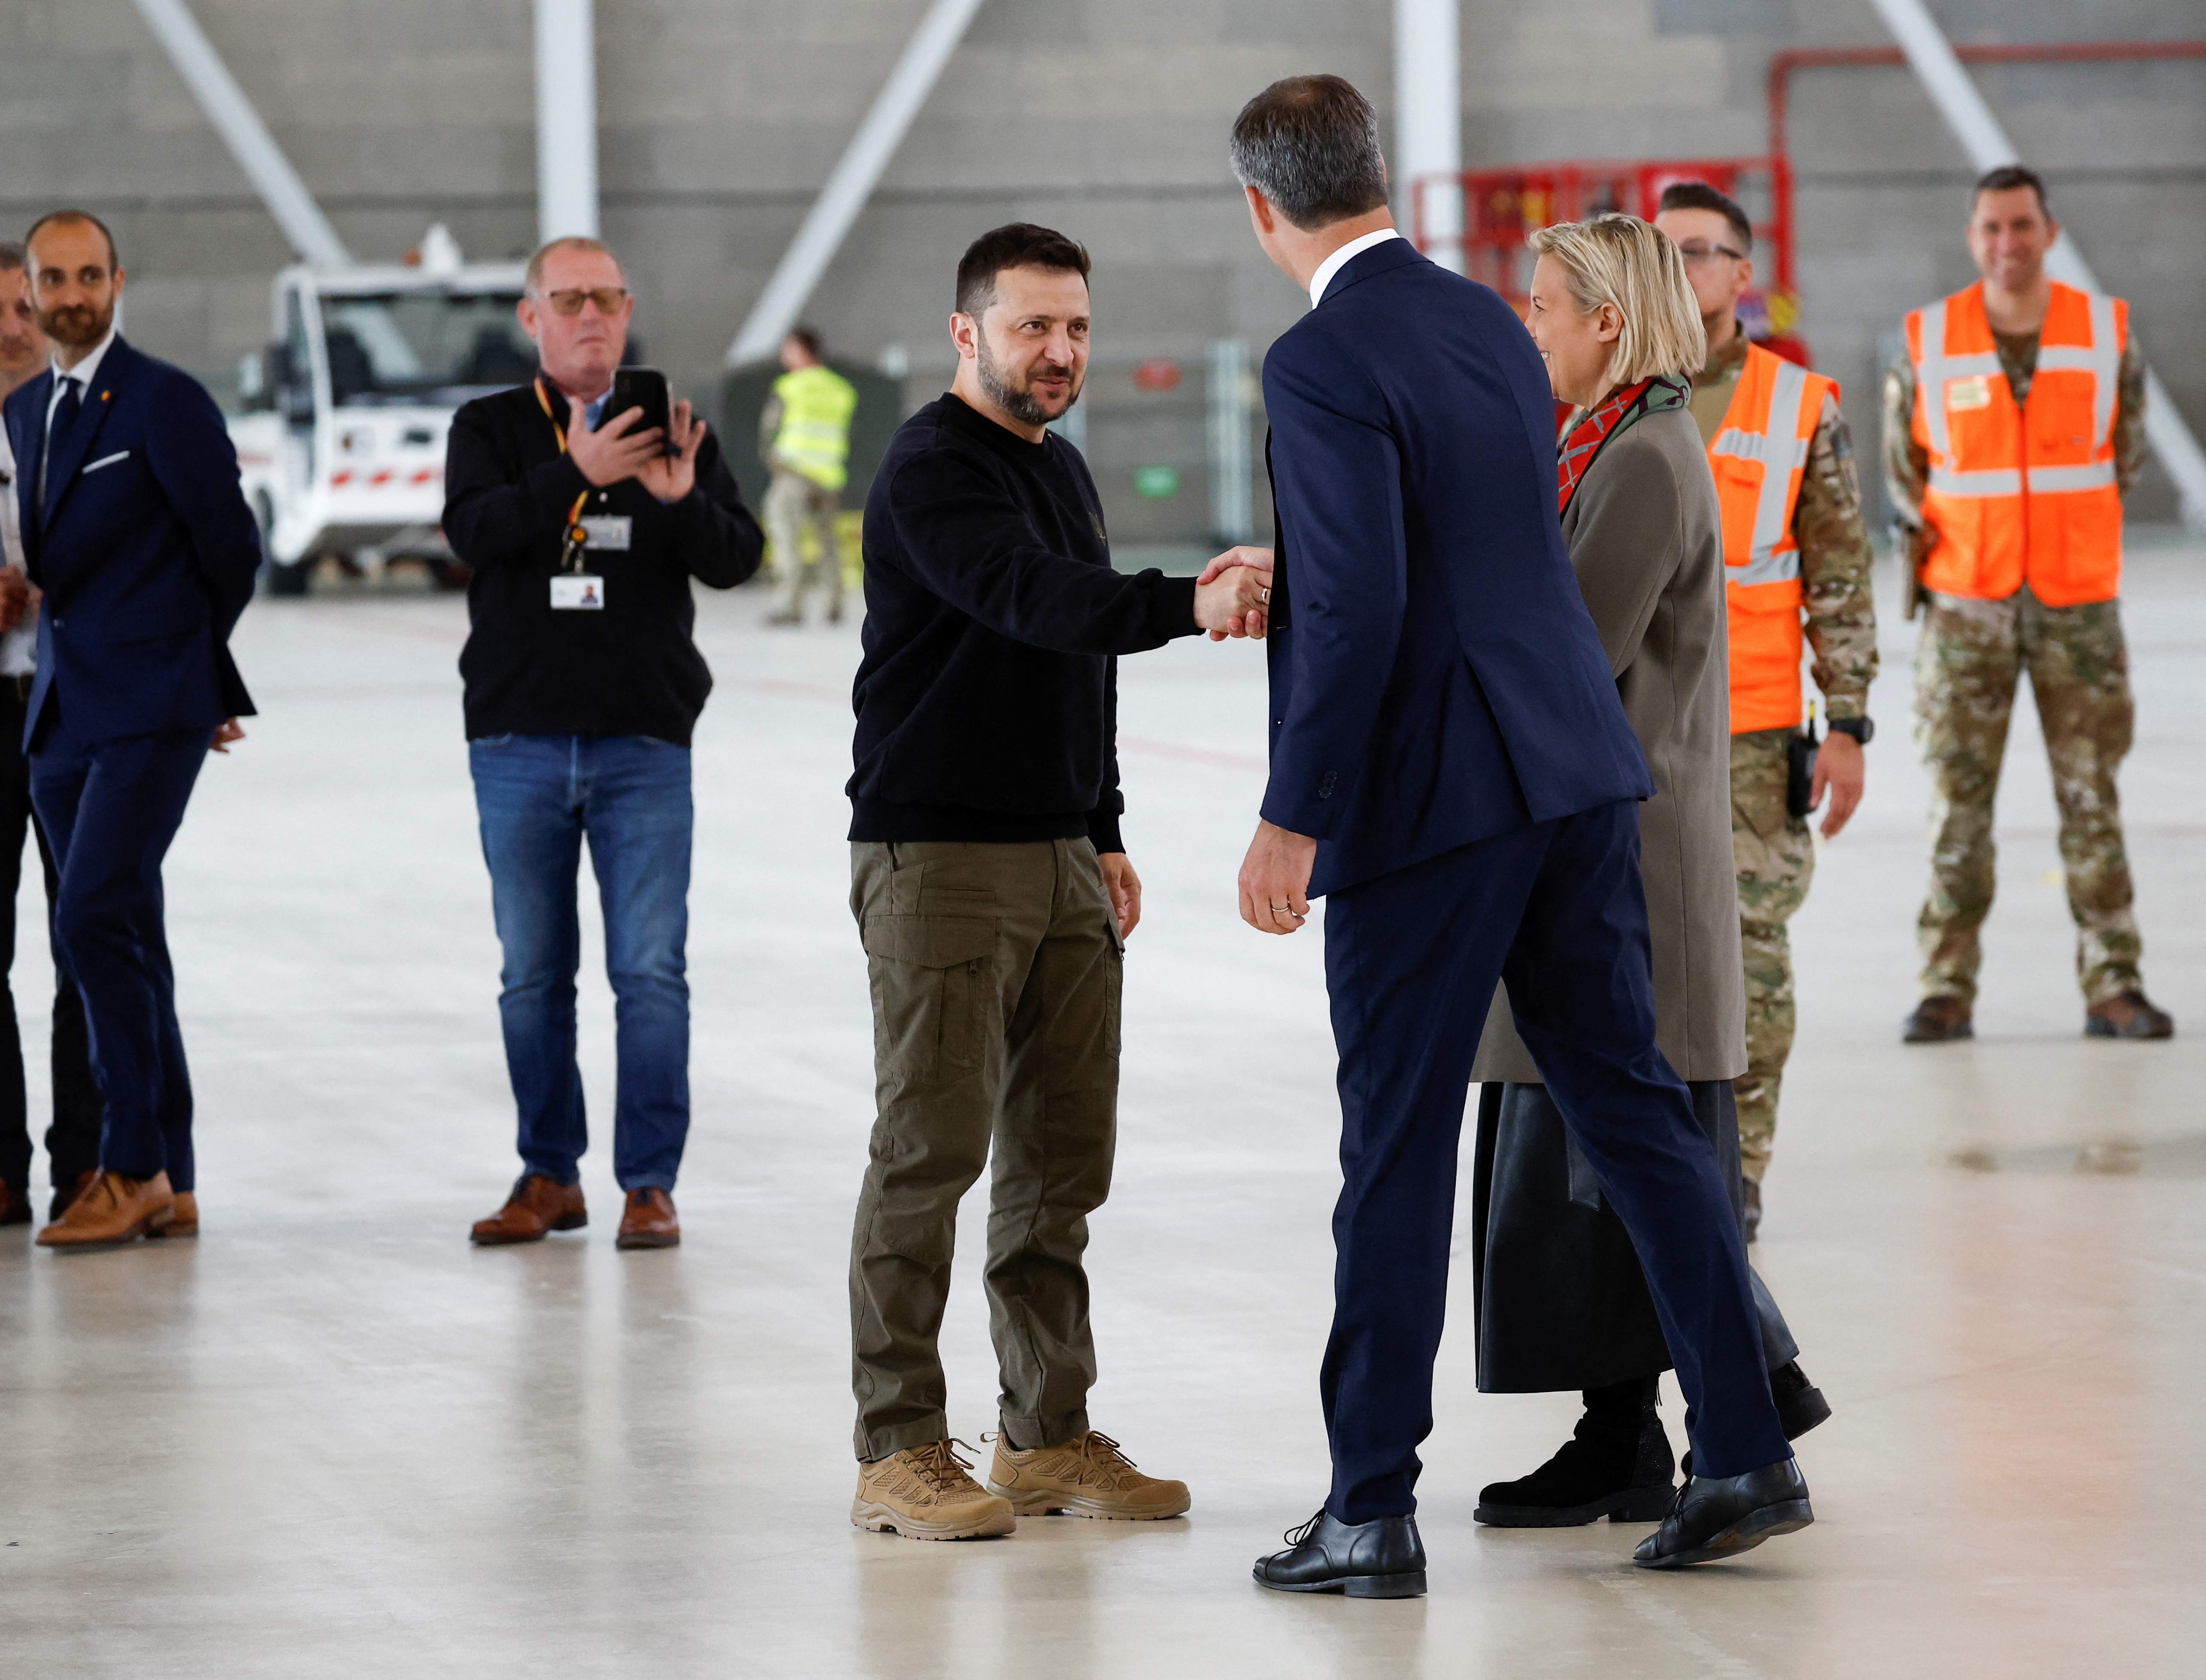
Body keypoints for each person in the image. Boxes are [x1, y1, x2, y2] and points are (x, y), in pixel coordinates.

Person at [1226, 77, 1809, 1600]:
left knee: (1395, 1146)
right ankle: (1742, 1441)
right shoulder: (1486, 322)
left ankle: (1367, 1501)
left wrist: (1295, 810)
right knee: (1630, 1110)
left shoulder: (1316, 357)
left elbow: (1361, 608)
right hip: (1569, 770)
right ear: (1376, 175)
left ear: (1258, 208)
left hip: (1431, 802)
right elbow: (1461, 547)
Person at [843, 222, 1270, 1543]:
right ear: (965, 331)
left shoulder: (1062, 466)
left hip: (1056, 856)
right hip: (944, 857)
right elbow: (1032, 601)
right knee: (929, 1155)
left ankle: (1043, 1433)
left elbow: (1070, 669)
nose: (1059, 352)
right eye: (1032, 327)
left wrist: (1103, 825)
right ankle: (900, 1447)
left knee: (1057, 1169)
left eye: (1075, 327)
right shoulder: (931, 470)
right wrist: (1183, 606)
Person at [1467, 213, 1832, 1533]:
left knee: (1631, 1167)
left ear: (1606, 323)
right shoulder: (1600, 441)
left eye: (1544, 308)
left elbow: (1565, 656)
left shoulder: (1642, 461)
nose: (1530, 328)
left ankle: (1750, 1408)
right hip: (1584, 847)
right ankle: (1618, 1434)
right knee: (1581, 1182)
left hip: (1620, 866)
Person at [443, 236, 763, 1251]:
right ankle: (548, 1174)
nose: (591, 316)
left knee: (650, 972)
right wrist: (571, 475)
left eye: (608, 298)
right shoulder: (491, 427)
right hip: (519, 740)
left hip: (643, 744)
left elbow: (739, 560)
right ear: (532, 317)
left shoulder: (675, 429)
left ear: (626, 314)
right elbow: (470, 532)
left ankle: (649, 1185)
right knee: (533, 973)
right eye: (569, 299)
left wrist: (680, 500)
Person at [4, 210, 256, 1250]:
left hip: (148, 708)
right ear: (32, 286)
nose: (70, 295)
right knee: (130, 931)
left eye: (87, 276)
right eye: (51, 279)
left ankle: (134, 1162)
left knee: (91, 917)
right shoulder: (29, 412)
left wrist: (197, 679)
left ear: (118, 281)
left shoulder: (164, 400)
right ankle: (176, 1174)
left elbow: (231, 548)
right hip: (62, 713)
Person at [1886, 165, 2173, 1044]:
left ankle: (2113, 985)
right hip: (1964, 605)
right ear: (1970, 238)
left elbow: (2121, 457)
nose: (2004, 244)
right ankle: (1944, 987)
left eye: (2019, 226)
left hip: (2074, 605)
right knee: (1953, 807)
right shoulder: (1926, 338)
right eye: (1988, 229)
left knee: (2091, 799)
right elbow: (1907, 470)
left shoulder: (2104, 334)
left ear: (2049, 231)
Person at [1654, 182, 1879, 1237]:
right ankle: (1643, 1167)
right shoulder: (1595, 387)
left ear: (1745, 275)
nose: (1686, 268)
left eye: (1706, 251)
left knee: (1750, 962)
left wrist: (1847, 722)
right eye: (1667, 251)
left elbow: (1840, 573)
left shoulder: (1799, 406)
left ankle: (1737, 1173)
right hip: (1623, 730)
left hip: (1749, 734)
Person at [0, 242, 101, 1231]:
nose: (10, 327)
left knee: (92, 939)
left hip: (79, 702)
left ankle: (89, 1162)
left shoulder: (103, 417)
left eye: (21, 304)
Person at [759, 325, 859, 627]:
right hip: (829, 473)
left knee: (785, 534)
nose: (783, 356)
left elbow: (770, 427)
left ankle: (789, 603)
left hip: (794, 471)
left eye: (788, 349)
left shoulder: (790, 385)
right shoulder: (842, 389)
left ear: (801, 350)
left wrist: (773, 460)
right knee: (828, 540)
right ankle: (835, 602)